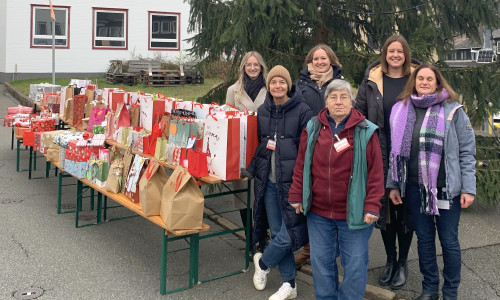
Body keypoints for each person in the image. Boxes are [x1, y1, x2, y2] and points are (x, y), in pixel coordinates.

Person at [288, 79, 384, 300]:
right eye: (333, 97)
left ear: (351, 101)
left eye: (343, 97)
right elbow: (302, 164)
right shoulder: (313, 127)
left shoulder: (366, 131)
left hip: (354, 213)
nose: (338, 101)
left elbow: (376, 172)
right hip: (319, 213)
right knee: (321, 263)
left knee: (355, 266)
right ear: (326, 102)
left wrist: (372, 205)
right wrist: (296, 194)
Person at [386, 63, 476, 300]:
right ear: (413, 82)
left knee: (448, 241)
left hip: (446, 190)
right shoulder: (401, 109)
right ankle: (429, 289)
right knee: (424, 240)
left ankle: (450, 292)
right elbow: (395, 154)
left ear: (438, 82)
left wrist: (468, 188)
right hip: (415, 188)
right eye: (420, 78)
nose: (424, 82)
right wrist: (394, 184)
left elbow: (467, 151)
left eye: (429, 79)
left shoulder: (453, 110)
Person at [355, 34, 420, 289]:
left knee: (404, 210)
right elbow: (359, 112)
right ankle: (390, 260)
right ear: (385, 54)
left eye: (399, 51)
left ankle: (403, 261)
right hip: (379, 151)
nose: (395, 55)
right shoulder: (372, 80)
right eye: (391, 51)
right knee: (383, 209)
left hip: (407, 153)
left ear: (405, 53)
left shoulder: (416, 77)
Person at [245, 65, 313, 300]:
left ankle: (263, 262)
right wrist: (252, 169)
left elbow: (309, 149)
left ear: (289, 85)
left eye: (282, 82)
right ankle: (290, 284)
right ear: (268, 86)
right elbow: (262, 146)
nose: (277, 86)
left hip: (293, 184)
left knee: (288, 234)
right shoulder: (263, 112)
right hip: (269, 182)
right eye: (273, 82)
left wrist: (305, 183)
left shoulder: (303, 111)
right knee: (276, 231)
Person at [294, 44, 343, 267]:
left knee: (331, 194)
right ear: (310, 61)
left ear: (331, 61)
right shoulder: (300, 85)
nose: (320, 62)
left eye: (324, 58)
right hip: (307, 146)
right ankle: (309, 247)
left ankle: (329, 250)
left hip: (333, 148)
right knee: (309, 196)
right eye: (316, 59)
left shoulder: (339, 84)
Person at [226, 51, 269, 256]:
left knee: (265, 194)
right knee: (243, 196)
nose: (252, 68)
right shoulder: (233, 91)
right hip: (241, 151)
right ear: (243, 67)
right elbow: (227, 122)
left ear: (261, 67)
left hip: (263, 149)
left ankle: (263, 237)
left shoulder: (270, 88)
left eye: (256, 64)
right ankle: (250, 238)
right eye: (248, 65)